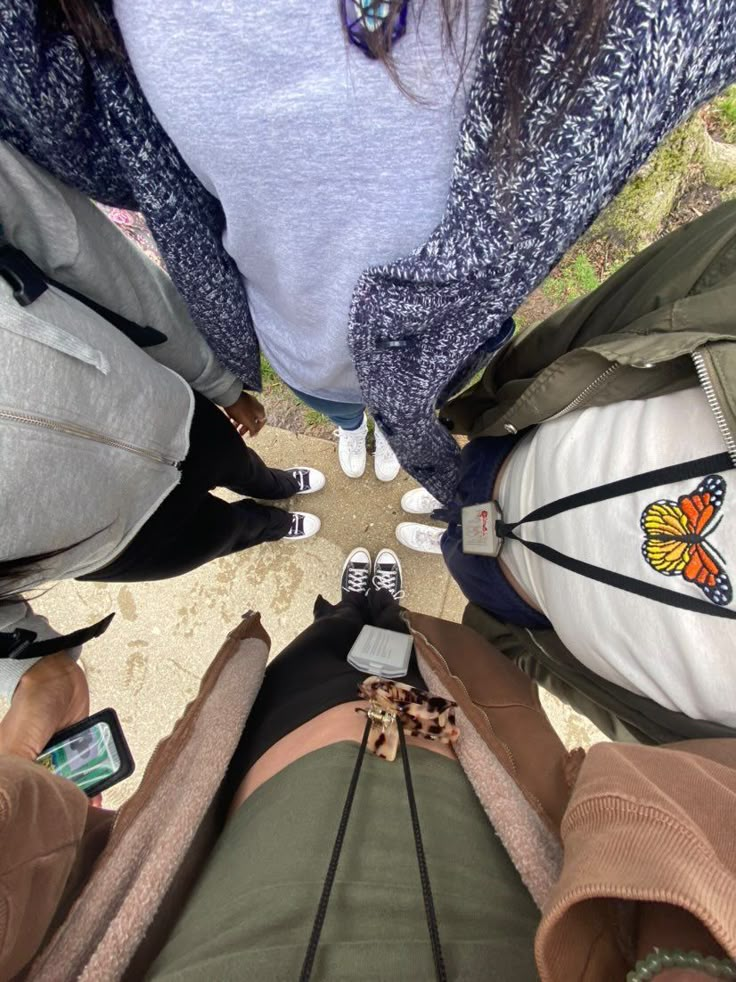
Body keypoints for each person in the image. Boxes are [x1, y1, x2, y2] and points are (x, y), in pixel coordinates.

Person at [0, 2, 734, 501]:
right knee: (339, 406)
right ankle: (357, 429)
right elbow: (66, 119)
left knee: (423, 407)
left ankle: (392, 434)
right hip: (296, 330)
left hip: (448, 344)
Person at [0, 549, 735, 980]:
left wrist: (17, 753)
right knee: (412, 656)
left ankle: (355, 611)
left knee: (331, 649)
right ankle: (377, 608)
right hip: (461, 761)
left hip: (281, 753)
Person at [398, 201, 736, 743]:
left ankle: (449, 529)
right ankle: (447, 509)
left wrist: (513, 645)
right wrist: (514, 384)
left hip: (518, 597)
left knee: (459, 556)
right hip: (520, 448)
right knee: (460, 489)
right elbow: (666, 288)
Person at [0, 142, 324, 700]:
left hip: (164, 408)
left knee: (239, 461)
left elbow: (92, 259)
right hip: (115, 543)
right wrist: (26, 676)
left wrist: (217, 381)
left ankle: (271, 486)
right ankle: (265, 526)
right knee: (221, 534)